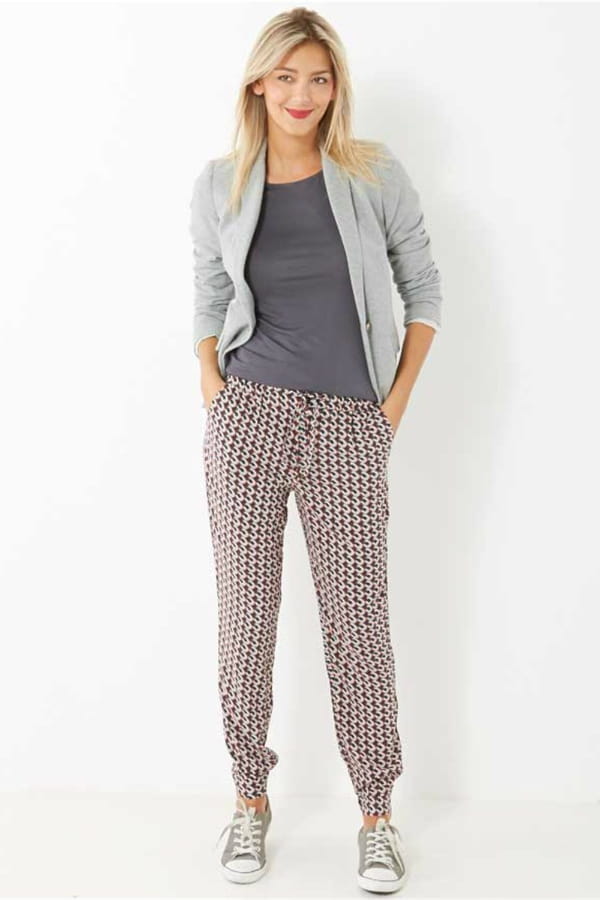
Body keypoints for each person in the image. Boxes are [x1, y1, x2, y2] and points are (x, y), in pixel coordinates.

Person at [189, 6, 443, 892]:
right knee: (245, 618)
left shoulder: (373, 174)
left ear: (336, 87)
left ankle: (376, 816)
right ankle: (248, 800)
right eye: (287, 76)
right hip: (249, 416)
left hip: (349, 423)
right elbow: (207, 296)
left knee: (358, 623)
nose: (303, 94)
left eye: (320, 78)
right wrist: (215, 390)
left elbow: (423, 287)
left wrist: (389, 410)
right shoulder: (219, 183)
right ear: (258, 83)